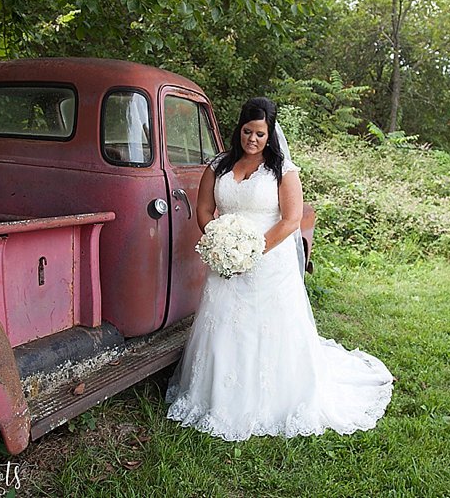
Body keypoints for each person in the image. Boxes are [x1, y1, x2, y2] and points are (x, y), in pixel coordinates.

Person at [165, 97, 393, 441]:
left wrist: (252, 252)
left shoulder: (282, 171)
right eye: (247, 131)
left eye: (260, 133)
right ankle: (216, 396)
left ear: (270, 134)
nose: (252, 139)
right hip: (226, 258)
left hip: (268, 260)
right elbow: (204, 209)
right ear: (238, 129)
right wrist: (218, 241)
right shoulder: (219, 166)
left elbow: (290, 220)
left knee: (266, 326)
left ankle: (273, 397)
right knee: (223, 321)